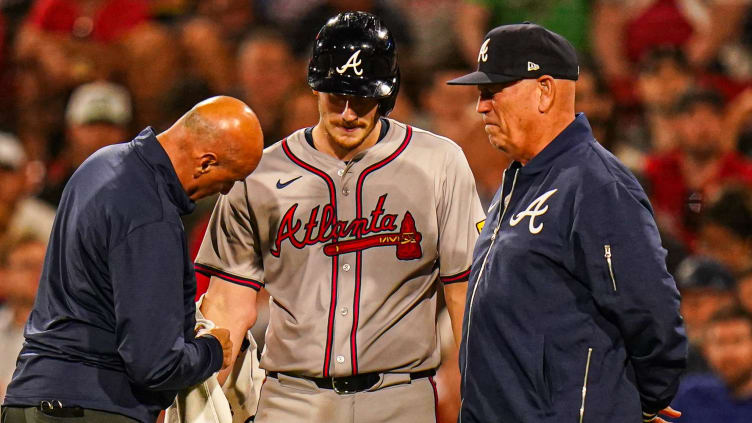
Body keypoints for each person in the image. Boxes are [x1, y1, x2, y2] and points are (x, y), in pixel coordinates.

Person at [195, 11, 485, 423]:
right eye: (336, 96)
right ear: (313, 86)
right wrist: (207, 402)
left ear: (388, 92)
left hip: (401, 396)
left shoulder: (439, 164)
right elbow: (227, 305)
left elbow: (463, 293)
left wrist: (483, 393)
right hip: (290, 399)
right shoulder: (259, 174)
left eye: (363, 98)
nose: (348, 113)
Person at [447, 23, 688, 423]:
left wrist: (641, 399)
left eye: (493, 91)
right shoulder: (520, 178)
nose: (481, 107)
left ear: (544, 90)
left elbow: (652, 309)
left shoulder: (595, 183)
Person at [1, 96, 264, 423]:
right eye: (230, 179)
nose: (224, 192)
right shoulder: (151, 214)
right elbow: (154, 364)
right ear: (206, 162)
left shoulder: (100, 163)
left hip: (26, 399)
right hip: (93, 409)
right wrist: (211, 350)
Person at [671, 306, 752, 422]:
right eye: (719, 343)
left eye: (737, 341)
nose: (728, 353)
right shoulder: (690, 396)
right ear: (705, 350)